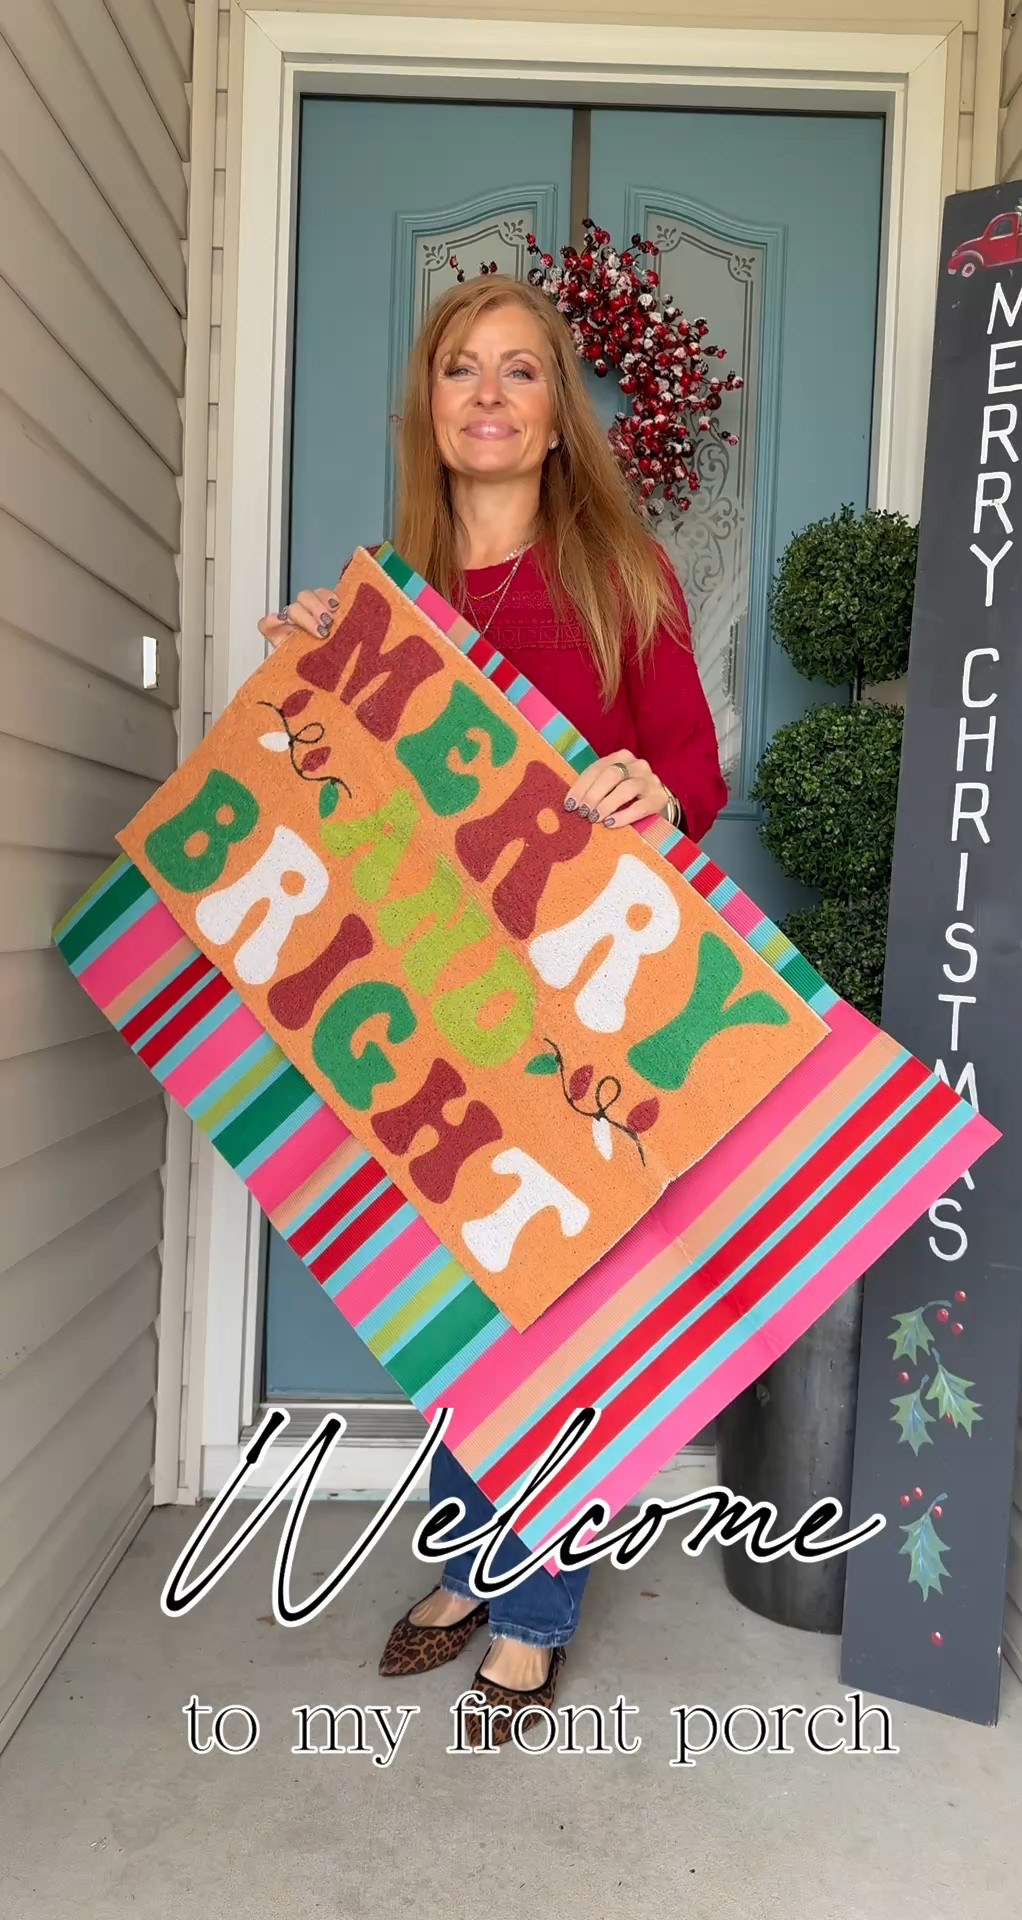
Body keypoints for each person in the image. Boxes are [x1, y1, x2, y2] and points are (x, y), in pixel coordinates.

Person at [259, 272, 727, 1743]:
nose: (488, 395)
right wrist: (296, 692)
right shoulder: (379, 600)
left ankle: (530, 1613)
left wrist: (652, 795)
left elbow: (695, 782)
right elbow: (333, 823)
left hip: (580, 1010)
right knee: (463, 1315)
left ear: (556, 413)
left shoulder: (622, 576)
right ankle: (478, 1556)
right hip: (431, 1003)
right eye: (463, 369)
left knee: (563, 1316)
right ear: (432, 403)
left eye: (520, 371)